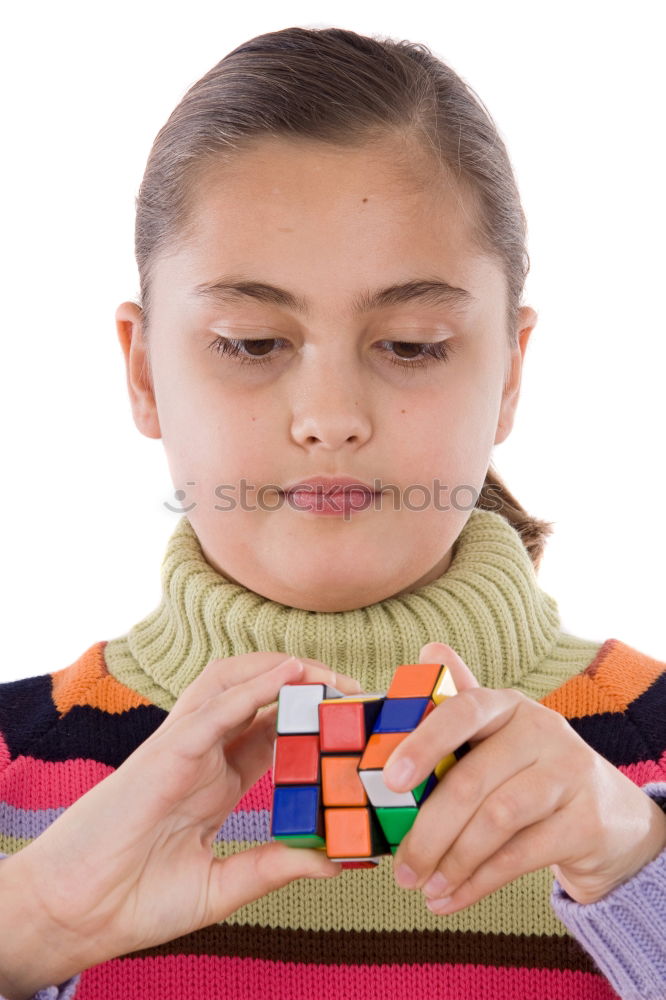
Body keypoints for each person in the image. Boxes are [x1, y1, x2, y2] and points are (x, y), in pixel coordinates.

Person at [0, 23, 664, 1000]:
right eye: (253, 340)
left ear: (512, 371)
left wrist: (642, 869)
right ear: (142, 371)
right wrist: (30, 931)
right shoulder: (17, 763)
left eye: (411, 344)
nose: (331, 419)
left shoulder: (645, 759)